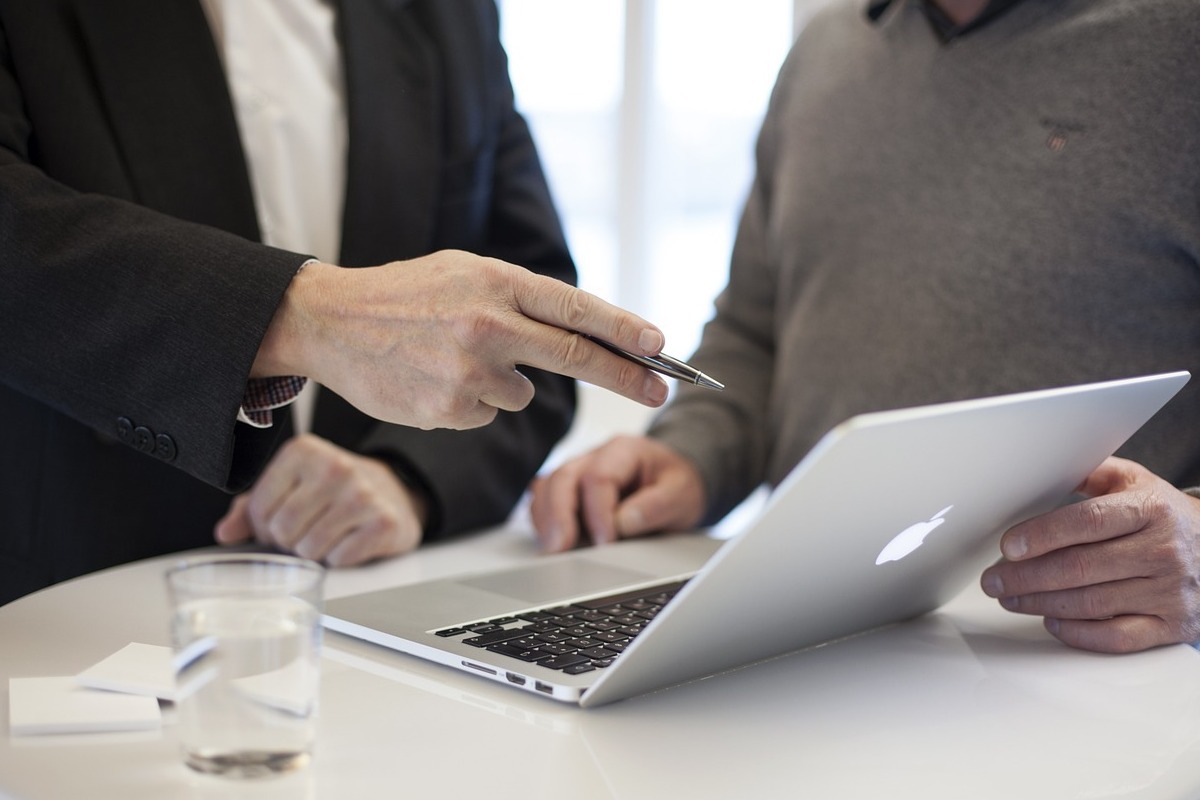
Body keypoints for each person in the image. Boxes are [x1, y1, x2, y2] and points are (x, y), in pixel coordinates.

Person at [530, 0, 1200, 655]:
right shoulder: (824, 51)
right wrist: (689, 457)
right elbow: (755, 334)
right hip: (801, 639)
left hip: (1081, 668)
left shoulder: (1179, 44)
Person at [0, 0, 671, 606]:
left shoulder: (452, 13)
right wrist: (302, 316)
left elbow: (530, 331)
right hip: (68, 612)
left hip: (379, 617)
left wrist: (409, 480)